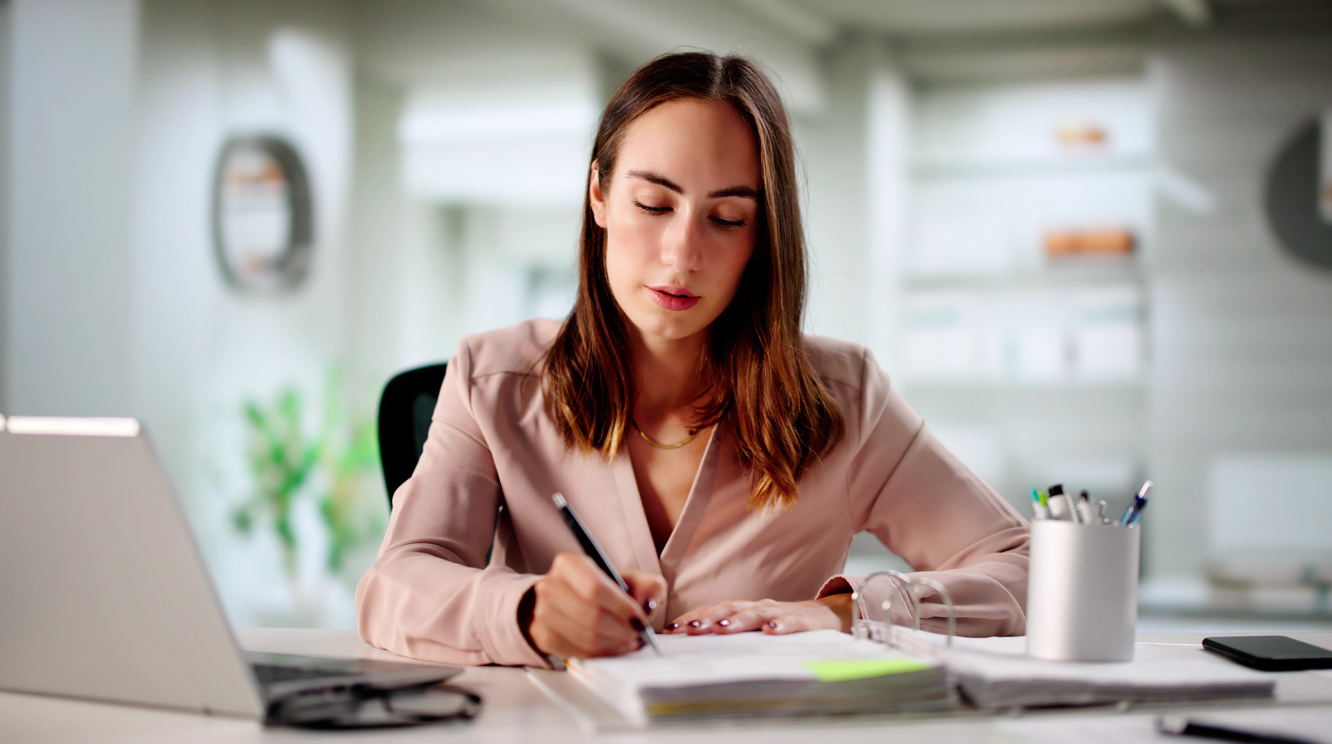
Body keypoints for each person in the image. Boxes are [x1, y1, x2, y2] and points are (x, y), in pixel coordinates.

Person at [356, 52, 1030, 667]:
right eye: (653, 203)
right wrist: (527, 613)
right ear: (599, 195)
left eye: (727, 218)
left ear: (761, 238)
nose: (682, 253)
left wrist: (844, 614)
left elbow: (1028, 567)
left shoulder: (844, 398)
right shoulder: (489, 380)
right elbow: (394, 584)